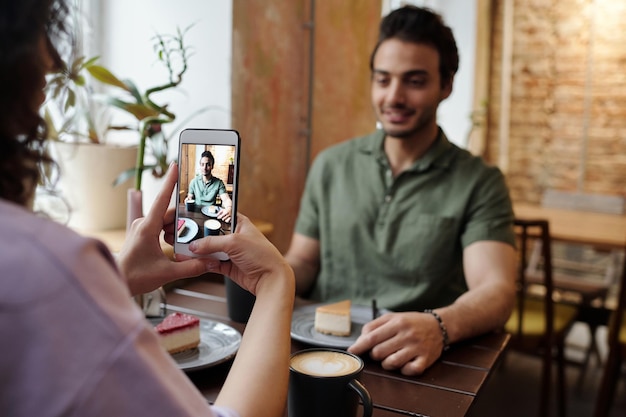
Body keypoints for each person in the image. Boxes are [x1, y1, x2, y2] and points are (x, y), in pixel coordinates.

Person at [0, 1, 295, 417]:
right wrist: (276, 281)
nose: (53, 59)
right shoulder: (43, 265)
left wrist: (115, 280)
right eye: (39, 29)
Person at [284, 5, 517, 376]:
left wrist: (440, 326)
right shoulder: (331, 165)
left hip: (415, 362)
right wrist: (265, 275)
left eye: (415, 81)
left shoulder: (479, 182)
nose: (393, 96)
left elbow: (497, 290)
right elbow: (304, 262)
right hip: (317, 356)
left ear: (446, 85)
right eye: (383, 79)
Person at [185, 150, 233, 223]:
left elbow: (226, 199)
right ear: (200, 165)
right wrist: (187, 199)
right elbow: (189, 197)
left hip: (211, 216)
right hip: (196, 215)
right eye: (202, 164)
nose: (204, 167)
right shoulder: (193, 182)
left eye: (208, 164)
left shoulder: (219, 183)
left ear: (212, 166)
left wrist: (229, 208)